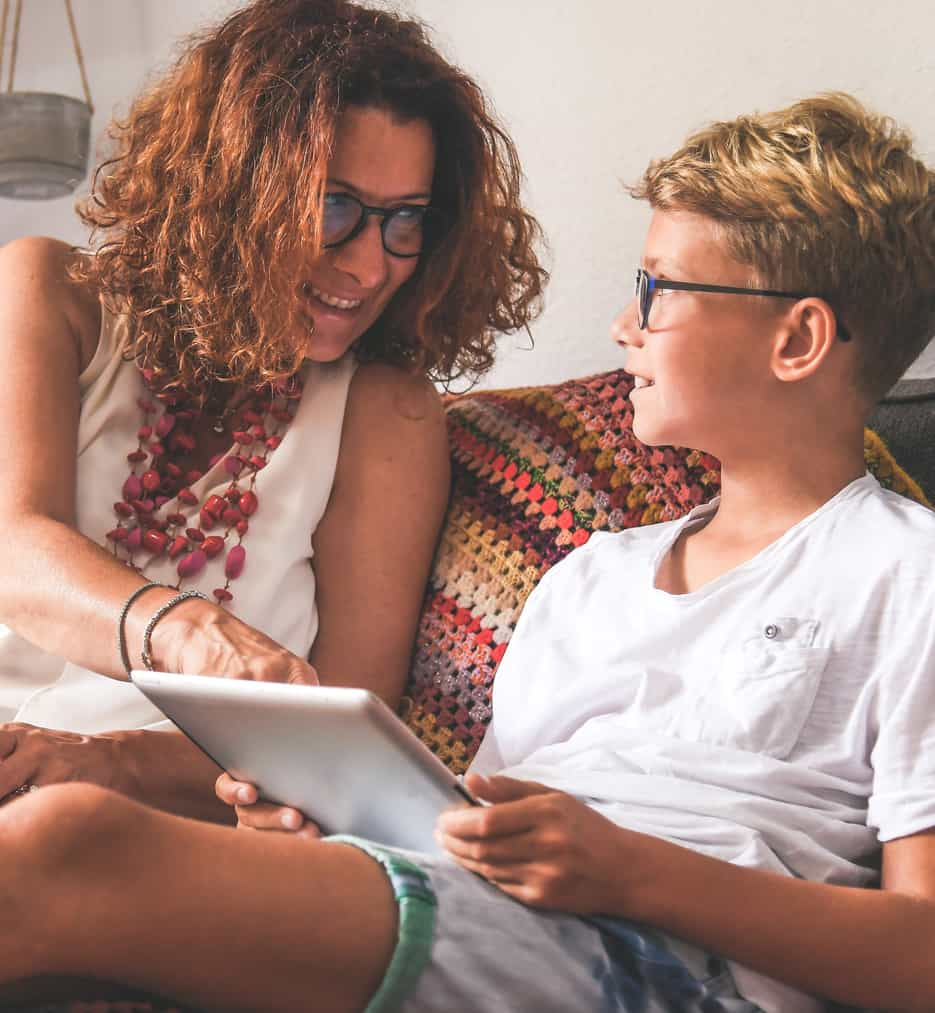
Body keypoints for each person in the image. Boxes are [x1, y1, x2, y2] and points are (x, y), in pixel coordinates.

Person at [2, 91, 935, 1013]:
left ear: (799, 337)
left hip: (662, 955)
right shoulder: (587, 576)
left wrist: (630, 873)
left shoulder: (906, 572)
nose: (623, 325)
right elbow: (460, 819)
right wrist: (289, 827)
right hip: (482, 912)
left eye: (657, 288)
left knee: (71, 842)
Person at [0, 0, 546, 821]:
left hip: (151, 822)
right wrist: (185, 632)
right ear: (231, 186)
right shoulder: (51, 290)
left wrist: (109, 765)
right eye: (333, 206)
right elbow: (14, 547)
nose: (368, 264)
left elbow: (343, 732)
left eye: (406, 221)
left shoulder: (385, 413)